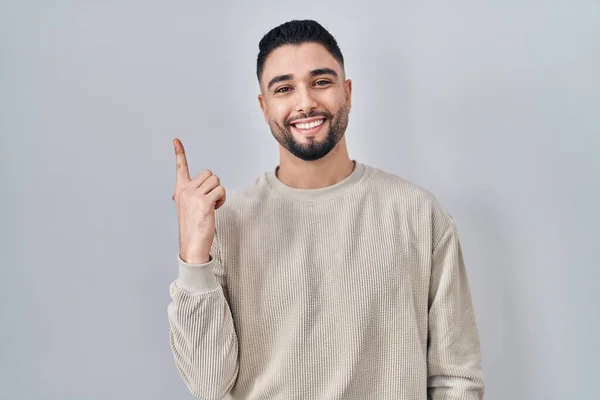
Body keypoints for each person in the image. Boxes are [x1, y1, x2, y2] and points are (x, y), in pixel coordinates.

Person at [167, 19, 484, 400]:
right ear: (263, 106)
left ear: (347, 92)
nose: (305, 102)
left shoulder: (418, 213)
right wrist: (194, 254)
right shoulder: (227, 225)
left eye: (321, 82)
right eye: (284, 88)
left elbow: (456, 379)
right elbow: (207, 385)